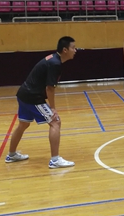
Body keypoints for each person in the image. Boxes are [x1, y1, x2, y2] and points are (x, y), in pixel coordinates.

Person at [6, 36, 77, 169]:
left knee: (23, 124)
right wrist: (53, 108)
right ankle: (55, 160)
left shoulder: (54, 59)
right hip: (32, 96)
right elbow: (49, 88)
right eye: (73, 48)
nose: (75, 50)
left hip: (23, 93)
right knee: (55, 122)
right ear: (65, 50)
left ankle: (11, 154)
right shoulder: (55, 64)